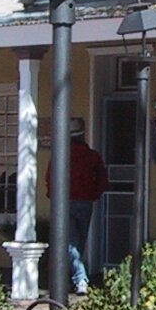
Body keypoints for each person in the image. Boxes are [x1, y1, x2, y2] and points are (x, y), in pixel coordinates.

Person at [45, 116, 109, 296]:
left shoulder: (60, 155)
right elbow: (102, 181)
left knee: (72, 243)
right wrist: (94, 194)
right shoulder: (92, 156)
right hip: (85, 202)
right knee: (77, 242)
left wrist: (52, 196)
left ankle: (76, 279)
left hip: (65, 203)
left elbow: (50, 179)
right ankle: (78, 278)